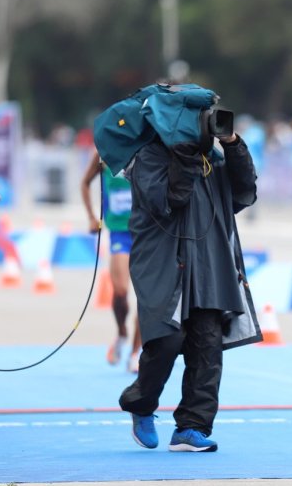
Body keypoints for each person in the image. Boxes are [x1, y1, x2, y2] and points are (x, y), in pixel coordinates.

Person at [118, 113, 260, 452]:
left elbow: (245, 194)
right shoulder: (147, 158)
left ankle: (191, 427)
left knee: (207, 348)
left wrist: (233, 145)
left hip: (210, 265)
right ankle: (141, 405)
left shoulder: (215, 160)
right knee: (166, 342)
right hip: (165, 265)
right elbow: (170, 200)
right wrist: (185, 154)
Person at [80, 149, 142, 372]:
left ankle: (136, 352)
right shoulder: (104, 152)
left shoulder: (148, 145)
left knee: (145, 297)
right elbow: (85, 183)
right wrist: (90, 216)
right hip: (119, 232)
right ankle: (122, 333)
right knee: (120, 291)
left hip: (145, 232)